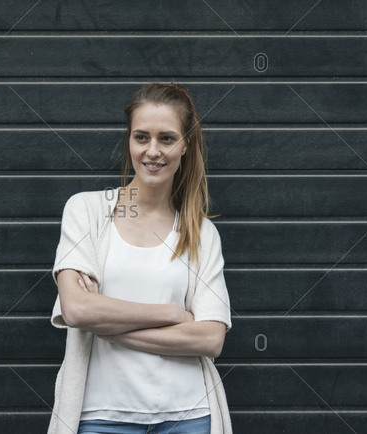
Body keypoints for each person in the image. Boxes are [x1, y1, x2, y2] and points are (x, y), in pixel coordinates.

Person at [48, 82, 233, 434]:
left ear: (185, 146)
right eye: (141, 137)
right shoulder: (88, 211)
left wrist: (109, 326)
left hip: (188, 415)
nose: (153, 151)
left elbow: (210, 339)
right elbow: (76, 310)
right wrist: (172, 315)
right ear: (129, 141)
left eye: (166, 138)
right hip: (102, 415)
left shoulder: (200, 232)